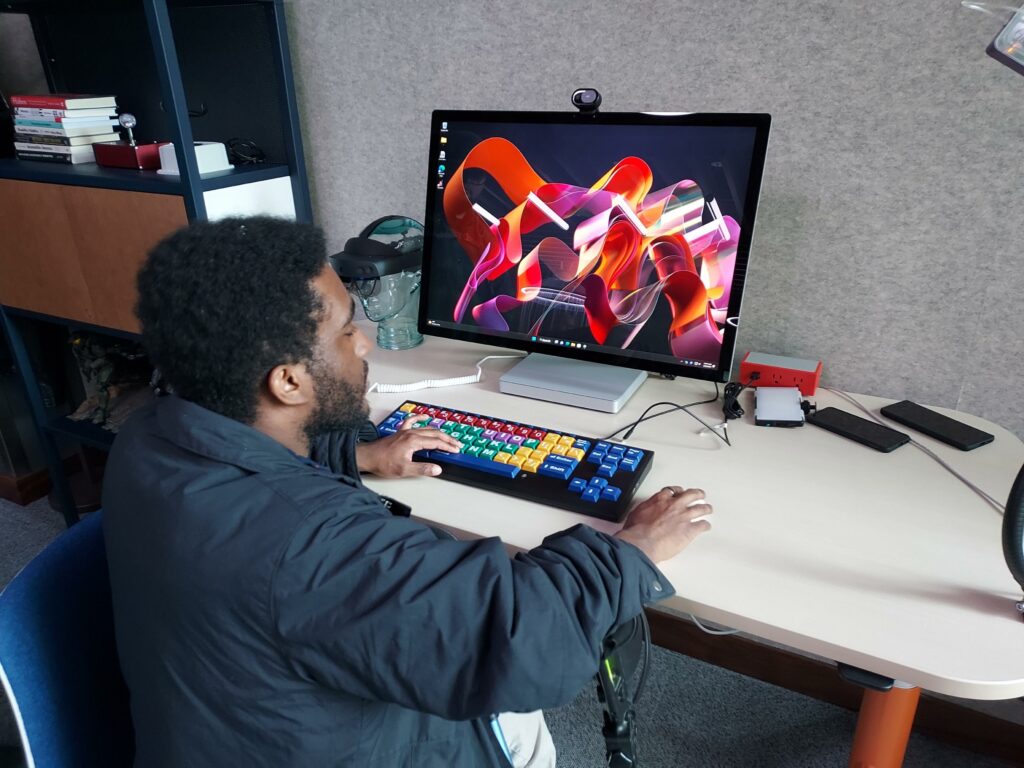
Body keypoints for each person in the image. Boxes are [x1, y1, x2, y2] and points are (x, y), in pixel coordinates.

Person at [102, 216, 713, 767]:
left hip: (231, 720)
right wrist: (632, 547)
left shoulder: (148, 436)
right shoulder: (312, 547)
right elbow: (528, 641)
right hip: (339, 742)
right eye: (346, 332)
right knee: (523, 714)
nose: (364, 343)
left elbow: (258, 459)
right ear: (288, 380)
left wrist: (357, 452)